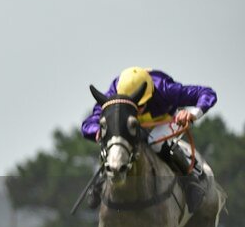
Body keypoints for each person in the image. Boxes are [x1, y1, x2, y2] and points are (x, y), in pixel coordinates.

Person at [81, 66, 217, 211]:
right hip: (131, 127)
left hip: (165, 121)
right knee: (115, 140)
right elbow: (89, 123)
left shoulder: (165, 88)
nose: (138, 111)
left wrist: (193, 114)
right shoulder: (114, 92)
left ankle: (190, 181)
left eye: (141, 105)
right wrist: (97, 130)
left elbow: (207, 93)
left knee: (154, 140)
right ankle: (100, 182)